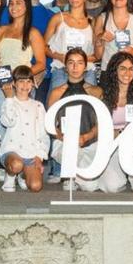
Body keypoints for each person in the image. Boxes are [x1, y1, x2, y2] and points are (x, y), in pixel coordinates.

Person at [47, 49, 103, 188]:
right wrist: (62, 137)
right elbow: (50, 123)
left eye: (79, 63)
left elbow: (101, 123)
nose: (75, 67)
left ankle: (78, 174)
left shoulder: (96, 92)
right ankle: (70, 174)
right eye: (71, 63)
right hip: (64, 145)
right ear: (65, 66)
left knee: (91, 187)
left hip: (90, 143)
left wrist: (86, 137)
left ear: (86, 67)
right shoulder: (56, 93)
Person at [98, 52, 133, 192]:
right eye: (122, 68)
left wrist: (129, 131)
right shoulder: (102, 94)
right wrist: (117, 133)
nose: (127, 73)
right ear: (114, 71)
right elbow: (99, 127)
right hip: (111, 142)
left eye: (131, 69)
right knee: (111, 187)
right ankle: (121, 175)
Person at [0, 66, 50, 193]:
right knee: (16, 164)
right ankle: (10, 175)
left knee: (36, 186)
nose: (25, 85)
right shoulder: (9, 102)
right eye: (21, 81)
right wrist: (9, 98)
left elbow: (44, 134)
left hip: (31, 153)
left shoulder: (38, 105)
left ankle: (22, 175)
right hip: (12, 150)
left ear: (33, 83)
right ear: (14, 83)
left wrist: (40, 155)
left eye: (28, 81)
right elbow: (8, 122)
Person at [0, 0, 48, 107]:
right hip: (2, 83)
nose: (14, 7)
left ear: (27, 6)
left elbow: (41, 64)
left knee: (23, 116)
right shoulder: (1, 31)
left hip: (23, 85)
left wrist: (20, 76)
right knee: (2, 116)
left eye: (18, 3)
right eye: (11, 3)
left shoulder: (33, 33)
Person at [45, 0, 99, 89]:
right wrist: (59, 57)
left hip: (86, 70)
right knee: (57, 98)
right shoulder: (57, 18)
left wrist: (82, 60)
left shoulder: (93, 22)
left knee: (90, 98)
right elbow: (43, 47)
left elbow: (97, 54)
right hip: (61, 68)